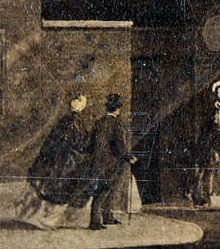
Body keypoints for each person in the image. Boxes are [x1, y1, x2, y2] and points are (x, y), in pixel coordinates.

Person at [15, 92, 93, 230]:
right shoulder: (72, 122)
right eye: (81, 102)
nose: (82, 105)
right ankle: (45, 219)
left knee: (55, 188)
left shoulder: (68, 120)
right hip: (65, 161)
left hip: (61, 159)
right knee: (59, 189)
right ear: (76, 104)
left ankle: (44, 218)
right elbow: (73, 143)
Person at [88, 93, 136, 229]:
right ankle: (96, 221)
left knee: (101, 190)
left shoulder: (98, 123)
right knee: (106, 190)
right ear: (117, 110)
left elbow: (90, 144)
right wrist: (129, 157)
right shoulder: (116, 125)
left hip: (97, 163)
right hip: (111, 163)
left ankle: (107, 218)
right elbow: (120, 146)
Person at [192, 80, 220, 208]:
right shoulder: (212, 110)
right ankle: (208, 198)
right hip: (213, 142)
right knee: (210, 169)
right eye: (218, 92)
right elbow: (207, 127)